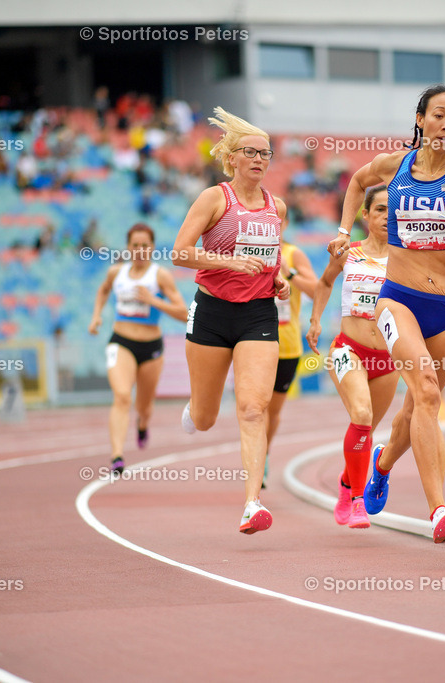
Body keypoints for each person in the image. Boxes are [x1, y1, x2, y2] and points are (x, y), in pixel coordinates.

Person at [329, 85, 445, 543]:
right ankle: (439, 509)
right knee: (428, 392)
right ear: (420, 120)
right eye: (439, 116)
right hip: (397, 300)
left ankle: (382, 465)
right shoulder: (396, 166)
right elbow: (356, 181)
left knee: (413, 411)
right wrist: (342, 229)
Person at [172, 107, 291, 535]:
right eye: (251, 152)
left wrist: (282, 283)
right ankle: (196, 408)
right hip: (211, 311)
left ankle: (251, 503)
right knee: (205, 417)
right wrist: (227, 261)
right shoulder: (214, 198)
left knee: (253, 407)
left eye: (266, 153)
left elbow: (273, 262)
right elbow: (180, 252)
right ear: (232, 157)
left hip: (258, 313)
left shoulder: (277, 206)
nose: (260, 159)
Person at [307, 185, 399, 530]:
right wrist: (315, 320)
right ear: (366, 215)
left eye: (393, 211)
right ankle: (358, 501)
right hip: (348, 349)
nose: (387, 217)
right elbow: (325, 282)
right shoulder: (348, 252)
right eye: (379, 210)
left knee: (366, 431)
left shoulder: (406, 260)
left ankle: (347, 485)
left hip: (388, 358)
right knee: (361, 415)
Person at [89, 223, 188, 475]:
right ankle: (117, 456)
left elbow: (183, 313)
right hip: (121, 341)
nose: (140, 250)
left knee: (144, 406)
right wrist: (96, 316)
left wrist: (152, 300)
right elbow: (102, 291)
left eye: (145, 246)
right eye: (135, 245)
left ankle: (142, 424)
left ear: (152, 248)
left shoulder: (160, 276)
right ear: (128, 247)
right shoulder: (116, 273)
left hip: (151, 347)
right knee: (122, 396)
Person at [262, 239, 318, 488]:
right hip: (253, 343)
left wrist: (289, 273)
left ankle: (263, 451)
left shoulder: (294, 254)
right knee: (254, 408)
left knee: (272, 411)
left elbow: (317, 291)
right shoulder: (247, 249)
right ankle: (255, 457)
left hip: (287, 346)